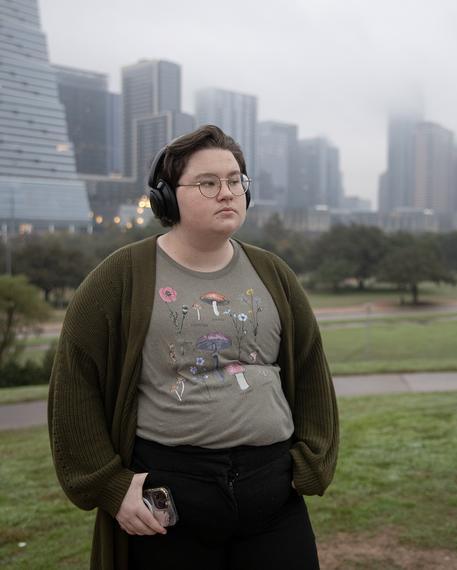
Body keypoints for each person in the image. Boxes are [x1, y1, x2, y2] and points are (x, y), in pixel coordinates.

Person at [48, 124, 339, 569]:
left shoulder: (272, 272)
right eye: (208, 183)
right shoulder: (121, 276)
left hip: (273, 494)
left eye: (235, 180)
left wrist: (311, 458)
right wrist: (109, 485)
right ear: (166, 198)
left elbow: (310, 365)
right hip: (172, 502)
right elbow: (75, 378)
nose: (226, 192)